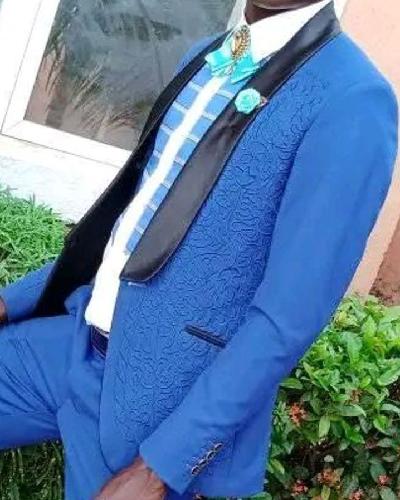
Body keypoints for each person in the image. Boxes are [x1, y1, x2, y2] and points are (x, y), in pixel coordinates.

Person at [0, 0, 398, 499]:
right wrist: (11, 299)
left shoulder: (353, 100)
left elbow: (288, 319)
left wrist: (161, 467)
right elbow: (137, 220)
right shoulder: (208, 54)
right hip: (71, 345)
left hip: (157, 405)